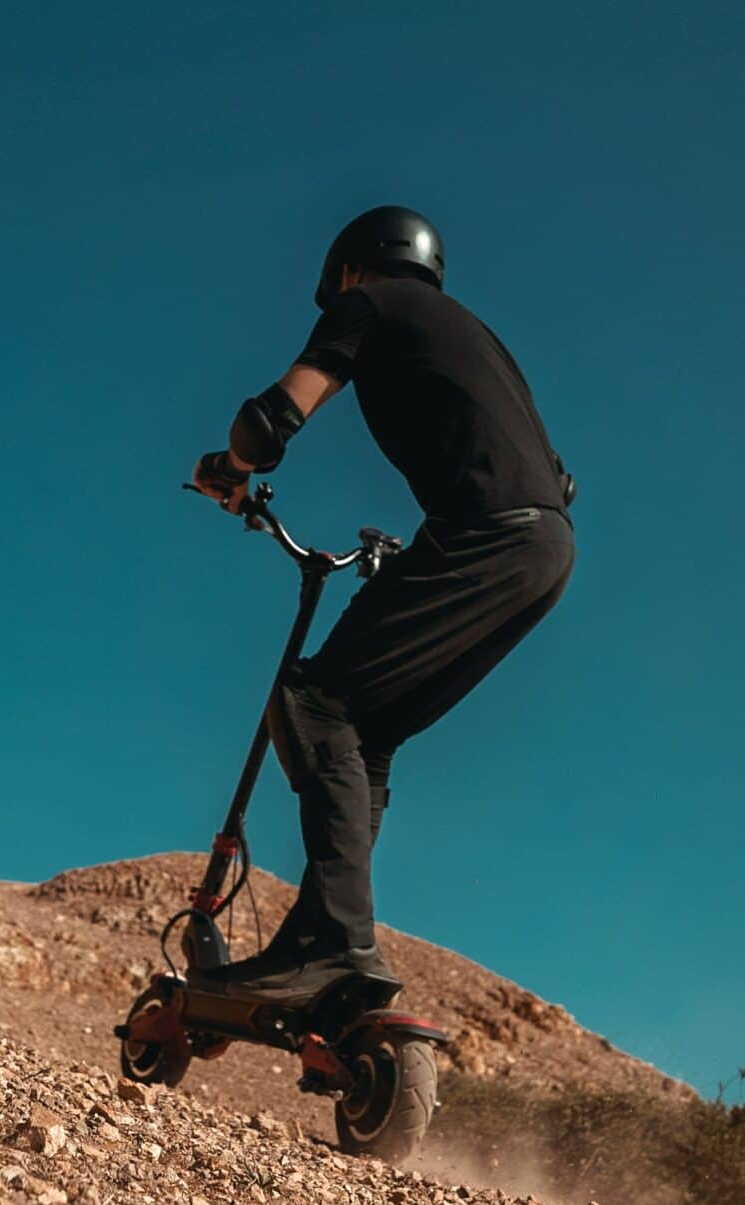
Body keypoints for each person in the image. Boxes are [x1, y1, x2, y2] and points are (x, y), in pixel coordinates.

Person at [189, 205, 577, 1005]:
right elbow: (552, 474)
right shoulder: (477, 337)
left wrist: (229, 466)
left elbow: (273, 418)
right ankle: (322, 940)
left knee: (310, 702)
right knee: (368, 729)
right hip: (544, 548)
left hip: (484, 539)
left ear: (351, 269)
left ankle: (333, 942)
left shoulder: (368, 305)